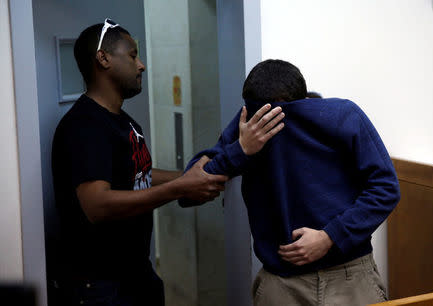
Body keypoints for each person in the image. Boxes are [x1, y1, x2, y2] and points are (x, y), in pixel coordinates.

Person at [50, 20, 284, 306]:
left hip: (134, 274)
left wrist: (198, 176)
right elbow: (96, 205)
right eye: (133, 55)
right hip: (99, 285)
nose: (141, 65)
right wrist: (181, 187)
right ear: (103, 58)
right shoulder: (84, 126)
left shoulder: (123, 122)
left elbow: (140, 174)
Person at [180, 59, 401, 306]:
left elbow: (386, 188)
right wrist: (241, 150)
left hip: (351, 278)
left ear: (304, 102)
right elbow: (188, 191)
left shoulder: (342, 116)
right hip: (282, 286)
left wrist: (330, 236)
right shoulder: (251, 122)